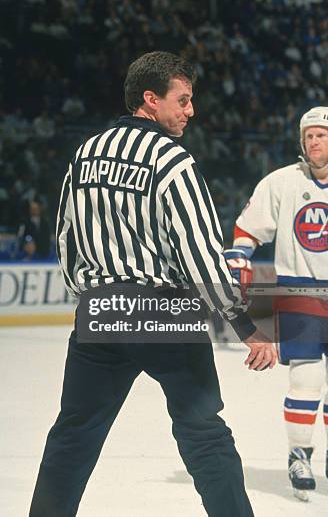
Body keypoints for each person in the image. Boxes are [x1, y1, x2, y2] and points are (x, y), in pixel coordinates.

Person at [29, 51, 277, 517]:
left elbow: (65, 237)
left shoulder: (85, 153)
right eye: (182, 100)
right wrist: (245, 326)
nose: (190, 110)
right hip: (164, 312)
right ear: (150, 99)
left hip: (100, 311)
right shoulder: (172, 160)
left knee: (73, 435)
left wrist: (91, 298)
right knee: (203, 432)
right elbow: (200, 254)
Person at [224, 106, 328, 501]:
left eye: (321, 134)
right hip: (298, 289)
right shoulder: (282, 181)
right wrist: (239, 253)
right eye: (309, 135)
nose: (313, 141)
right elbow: (248, 229)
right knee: (306, 376)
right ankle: (299, 454)